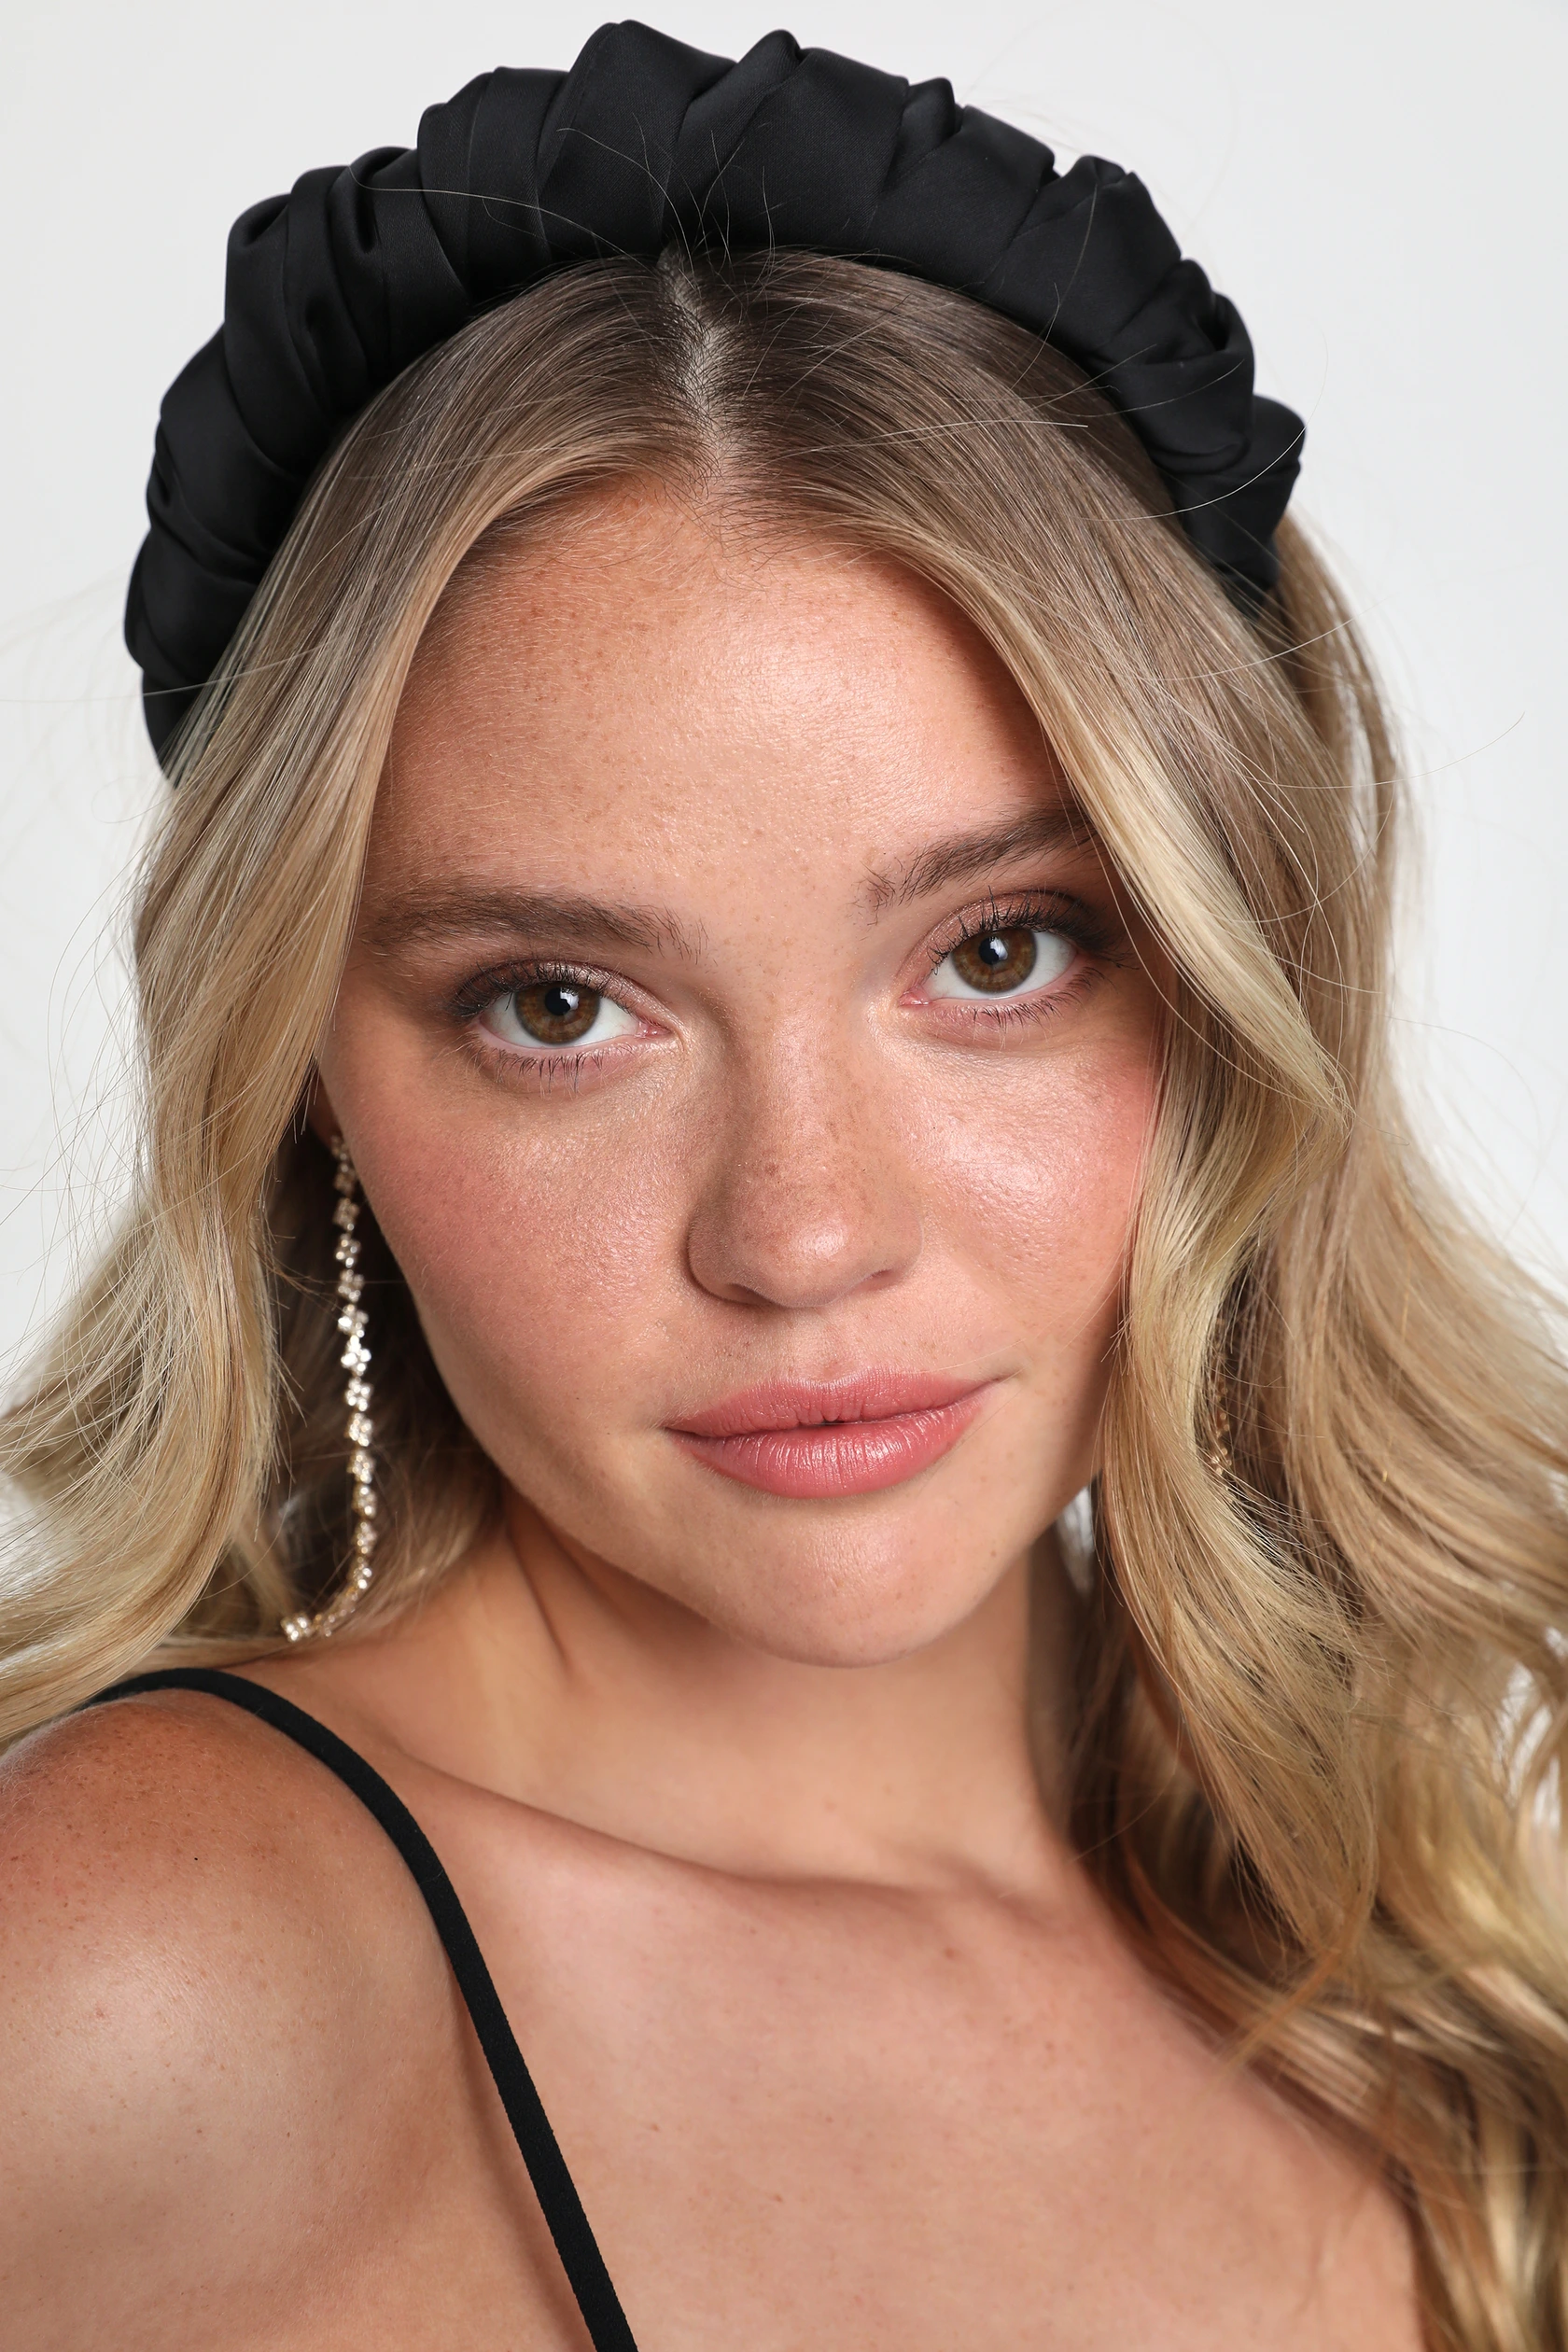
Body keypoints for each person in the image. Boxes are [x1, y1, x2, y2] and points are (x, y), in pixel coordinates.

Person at [1, 24, 1562, 2349]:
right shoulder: (128, 1981)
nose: (805, 1236)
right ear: (309, 1071)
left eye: (1000, 955)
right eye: (558, 1006)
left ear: (1239, 978)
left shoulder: (1433, 1948)